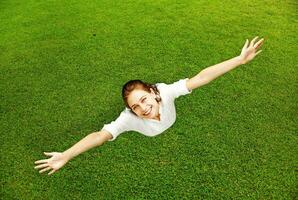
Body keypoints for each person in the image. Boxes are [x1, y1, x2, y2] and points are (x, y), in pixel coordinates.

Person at [34, 36, 264, 175]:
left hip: (166, 110)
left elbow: (201, 78)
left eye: (144, 99)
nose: (142, 108)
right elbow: (98, 136)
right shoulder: (129, 119)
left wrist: (239, 60)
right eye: (135, 106)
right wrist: (66, 155)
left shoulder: (165, 92)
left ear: (153, 93)